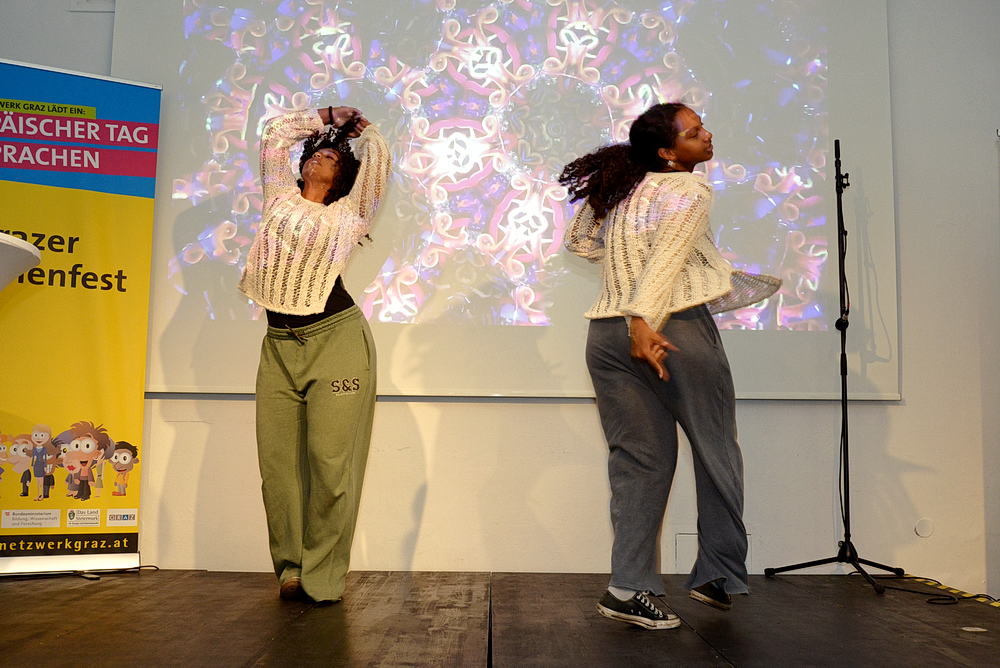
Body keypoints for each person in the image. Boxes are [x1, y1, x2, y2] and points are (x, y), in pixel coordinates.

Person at [560, 103, 780, 630]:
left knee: (638, 462)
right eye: (694, 132)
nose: (707, 135)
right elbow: (667, 258)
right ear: (668, 152)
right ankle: (716, 574)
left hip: (605, 334)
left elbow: (579, 241)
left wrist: (626, 262)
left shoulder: (623, 188)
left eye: (703, 127)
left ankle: (626, 588)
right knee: (716, 448)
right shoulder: (689, 189)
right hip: (668, 329)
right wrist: (643, 319)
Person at [239, 104, 390, 603]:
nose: (321, 156)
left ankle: (323, 576)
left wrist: (366, 132)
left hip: (336, 341)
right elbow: (274, 134)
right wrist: (326, 115)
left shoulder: (350, 215)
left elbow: (378, 168)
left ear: (343, 176)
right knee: (277, 467)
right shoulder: (279, 197)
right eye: (316, 152)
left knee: (330, 466)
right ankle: (290, 569)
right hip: (279, 347)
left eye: (333, 156)